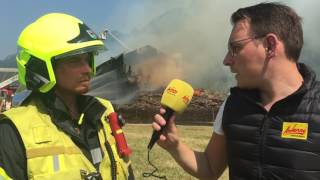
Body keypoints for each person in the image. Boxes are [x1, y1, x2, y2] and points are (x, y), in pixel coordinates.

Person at [152, 2, 320, 180]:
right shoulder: (232, 104)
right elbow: (209, 168)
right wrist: (175, 146)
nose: (226, 60)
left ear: (270, 46)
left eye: (236, 48)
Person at [0, 13, 134, 179]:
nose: (87, 69)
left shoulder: (104, 113)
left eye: (87, 59)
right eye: (74, 61)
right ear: (41, 67)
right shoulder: (14, 130)